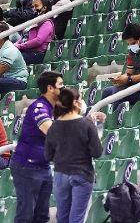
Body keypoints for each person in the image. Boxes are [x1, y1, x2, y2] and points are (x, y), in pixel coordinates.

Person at [45, 87, 103, 223]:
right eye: (81, 99)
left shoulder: (53, 126)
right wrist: (98, 127)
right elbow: (97, 152)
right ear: (76, 103)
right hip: (82, 174)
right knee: (76, 219)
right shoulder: (87, 124)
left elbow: (48, 156)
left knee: (63, 218)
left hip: (60, 176)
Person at [12, 72, 64, 223]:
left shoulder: (55, 108)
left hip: (43, 166)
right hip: (26, 166)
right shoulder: (39, 107)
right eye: (61, 85)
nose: (64, 89)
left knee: (42, 216)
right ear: (50, 88)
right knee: (26, 215)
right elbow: (51, 131)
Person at [15, 0, 55, 64]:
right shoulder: (34, 21)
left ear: (44, 8)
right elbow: (23, 37)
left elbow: (38, 40)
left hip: (37, 54)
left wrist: (20, 46)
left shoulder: (47, 23)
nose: (33, 9)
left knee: (12, 60)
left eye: (36, 6)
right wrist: (15, 45)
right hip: (26, 51)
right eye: (32, 7)